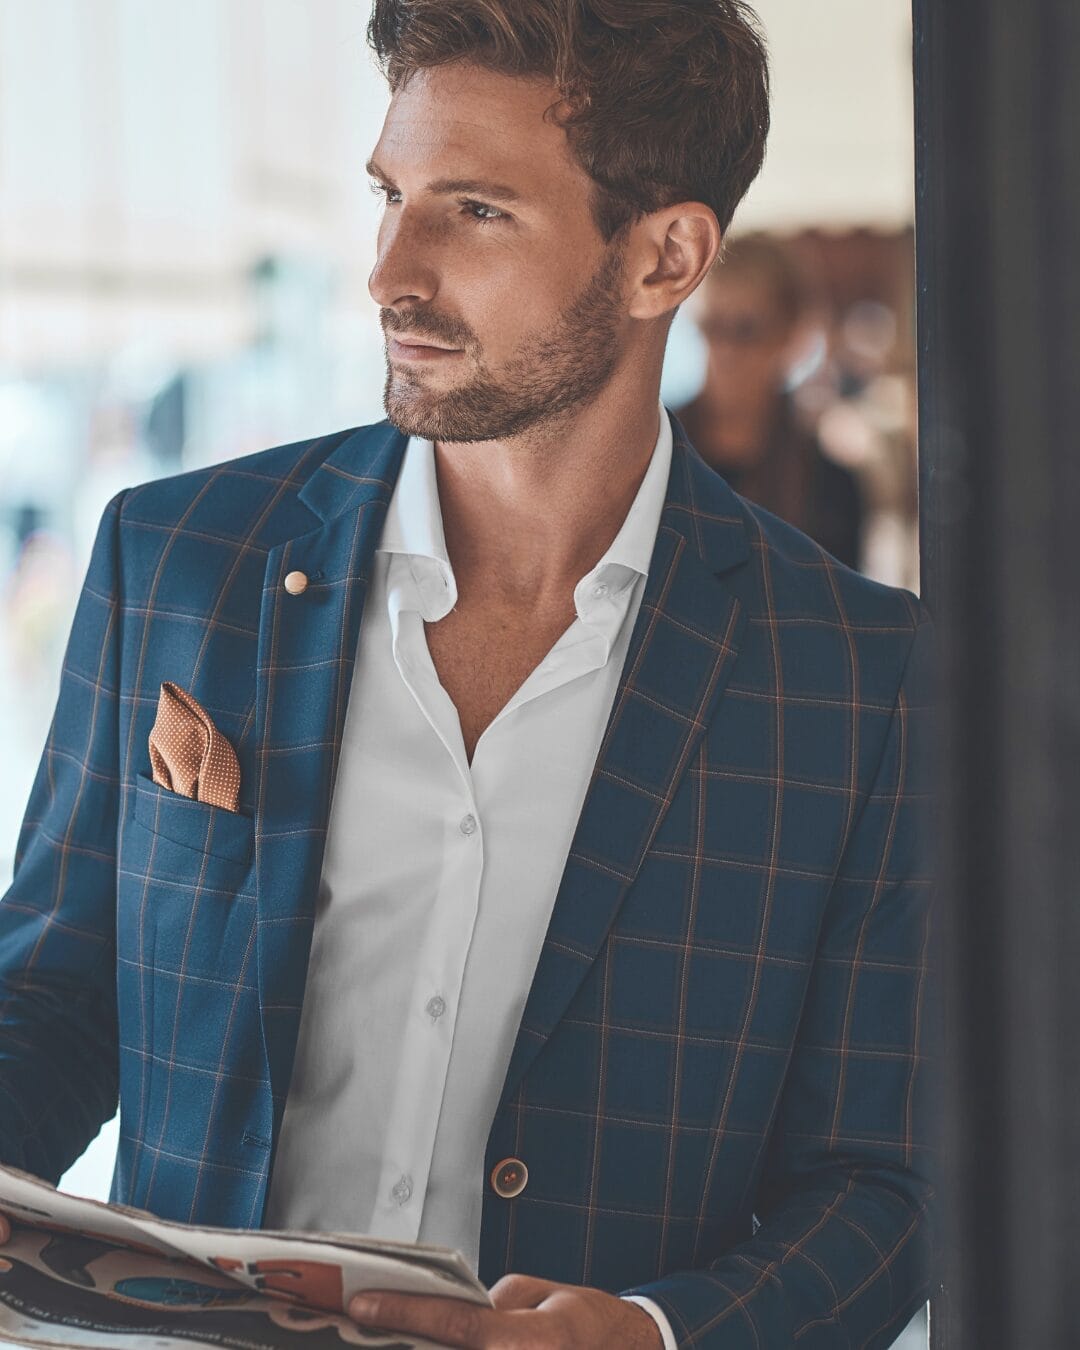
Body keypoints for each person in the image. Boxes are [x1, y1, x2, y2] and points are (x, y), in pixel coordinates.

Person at [0, 2, 937, 1346]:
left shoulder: (858, 683)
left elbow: (883, 1187)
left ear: (665, 256)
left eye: (477, 211)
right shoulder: (180, 557)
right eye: (389, 193)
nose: (391, 269)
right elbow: (50, 996)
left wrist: (662, 1333)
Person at [676, 234, 865, 570]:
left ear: (791, 336)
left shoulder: (831, 490)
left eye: (746, 330)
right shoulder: (649, 453)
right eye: (713, 327)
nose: (726, 351)